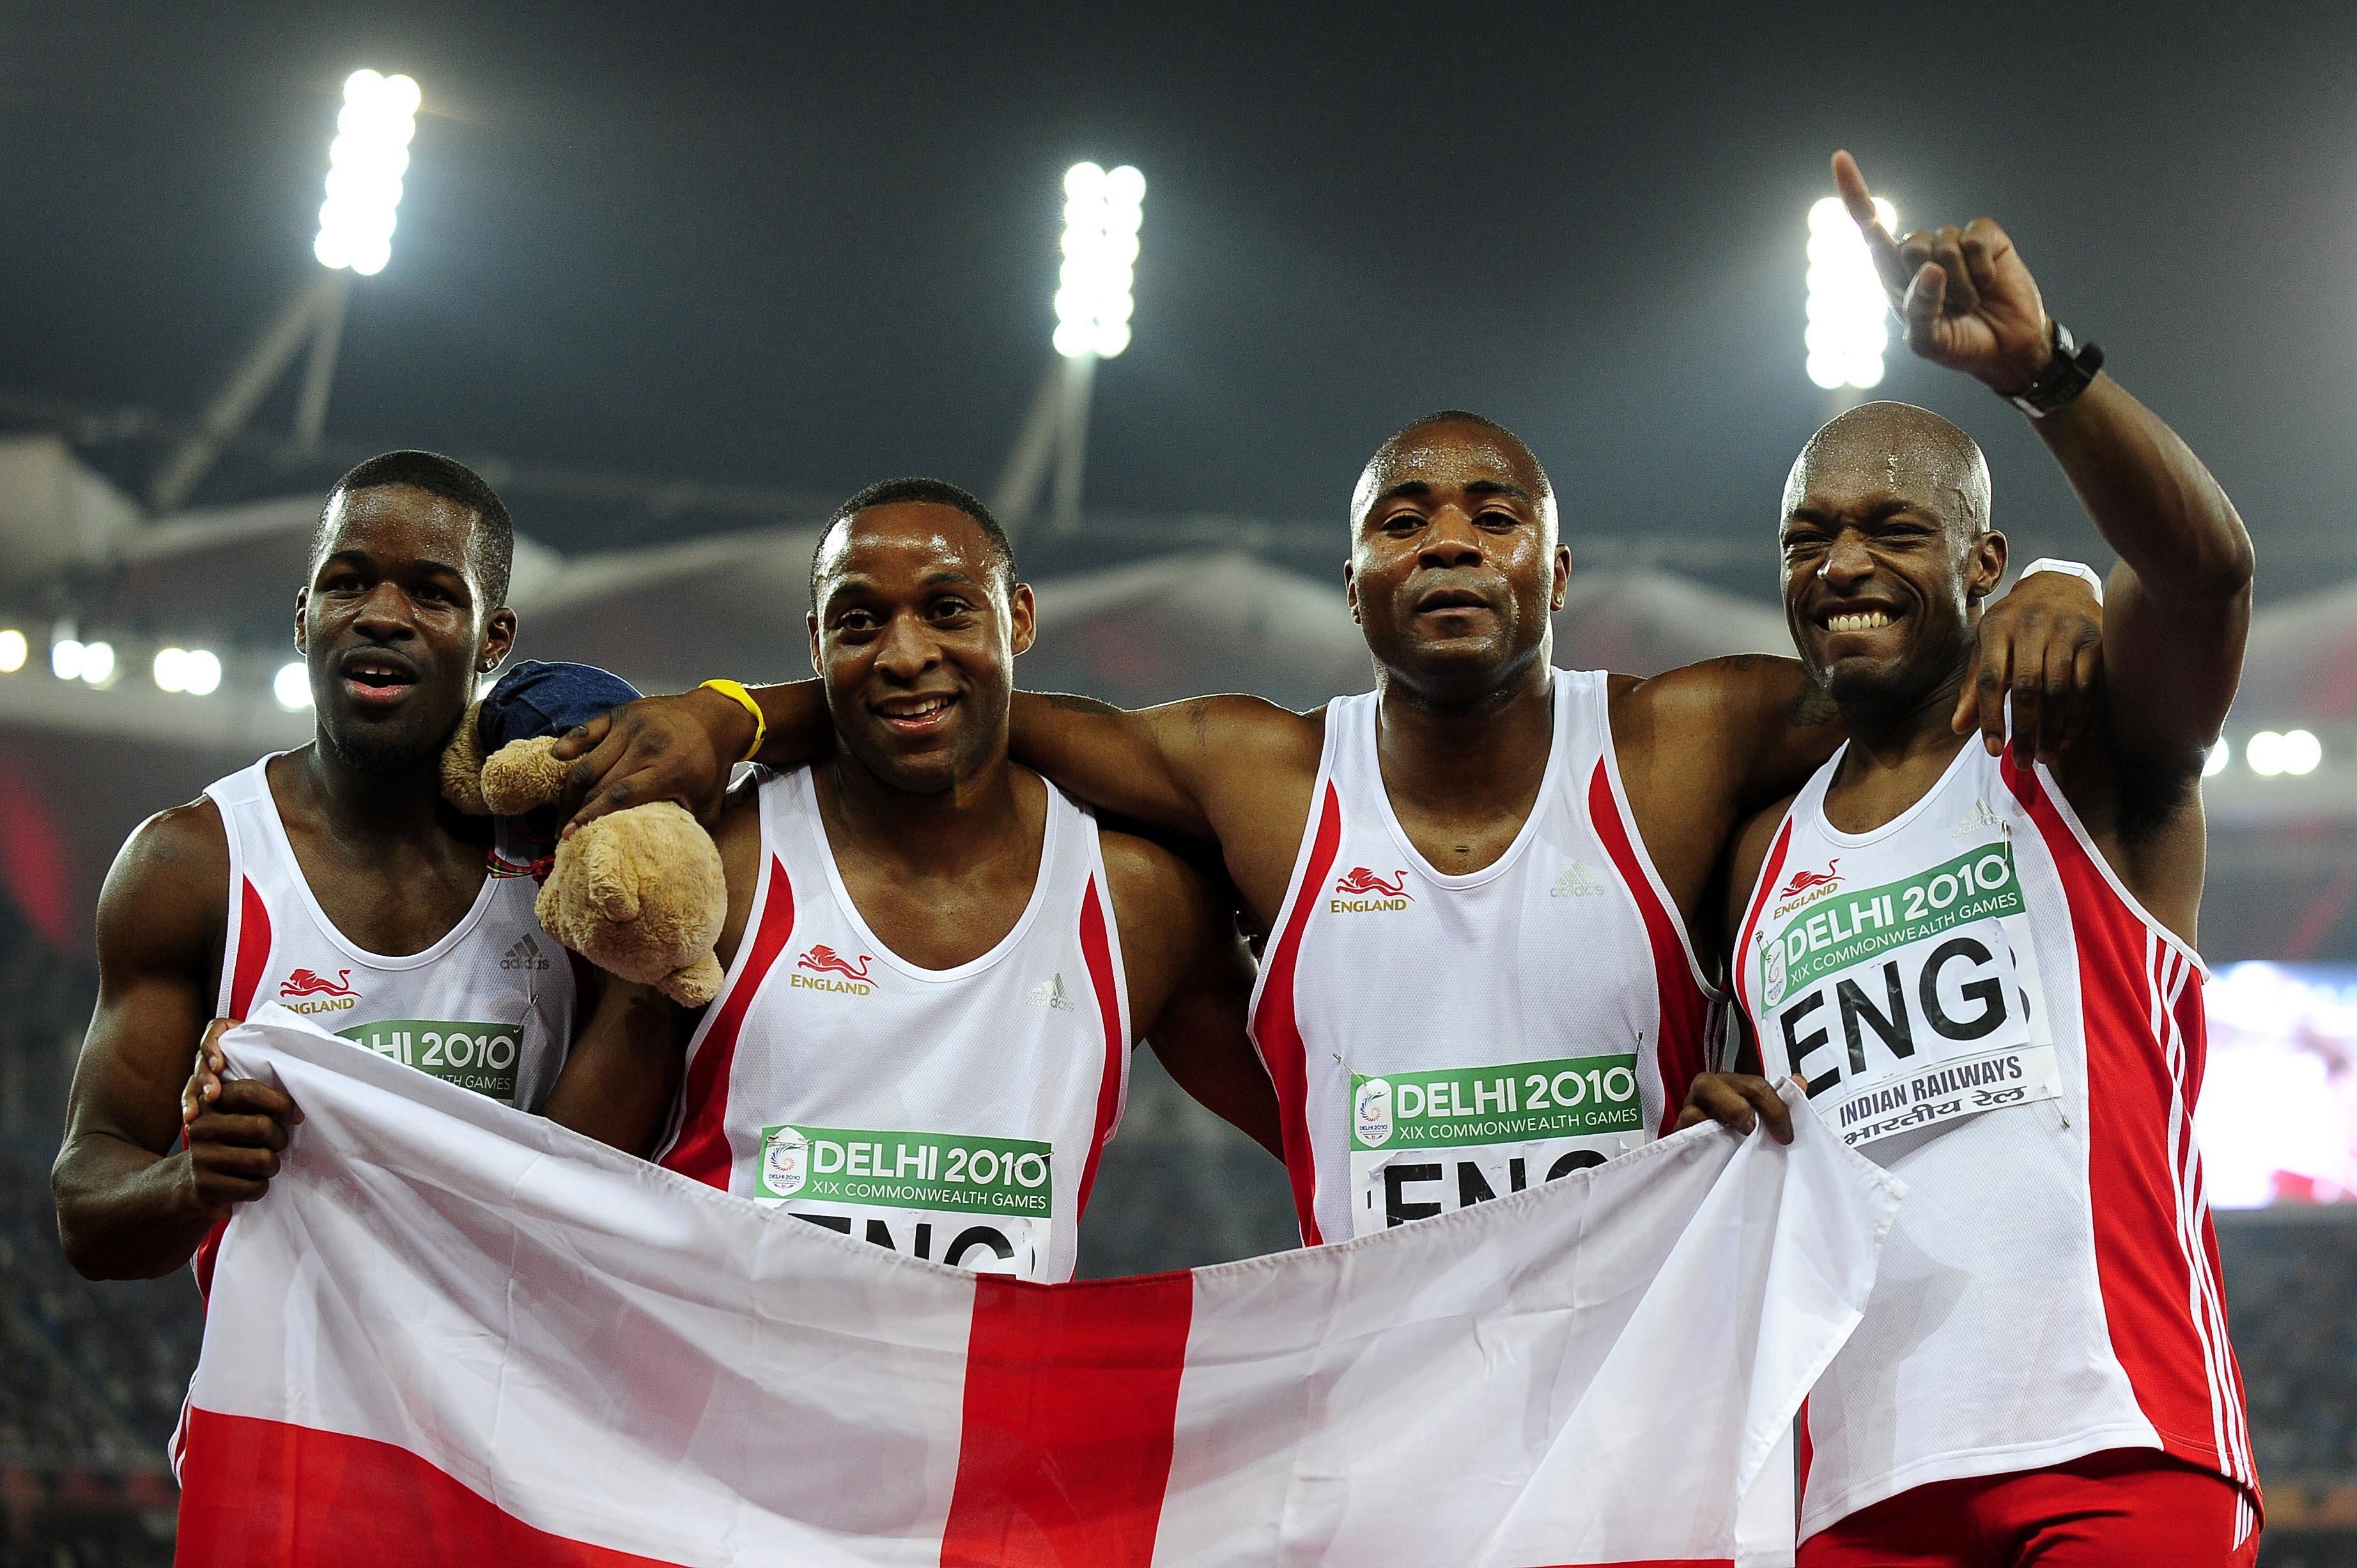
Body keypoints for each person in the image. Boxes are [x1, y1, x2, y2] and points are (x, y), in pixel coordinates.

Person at [555, 465, 2098, 1250]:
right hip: (1377, 1396)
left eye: (1489, 515)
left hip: (1635, 1375)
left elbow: (1905, 661)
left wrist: (2041, 573)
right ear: (1350, 585)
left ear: (1551, 568)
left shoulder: (1677, 738)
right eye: (1403, 519)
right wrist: (742, 711)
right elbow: (983, 719)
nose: (1443, 542)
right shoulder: (1254, 773)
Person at [1682, 153, 2260, 1564]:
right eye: (1804, 538)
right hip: (1852, 1481)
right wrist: (1716, 1121)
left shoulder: (2077, 744)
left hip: (2111, 1434)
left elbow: (2202, 578)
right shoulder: (1761, 855)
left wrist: (2044, 375)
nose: (1837, 565)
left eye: (1890, 528)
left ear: (1981, 559)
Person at [52, 451, 685, 1295]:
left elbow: (601, 1182)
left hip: (509, 1403)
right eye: (348, 582)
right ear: (303, 614)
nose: (383, 615)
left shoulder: (572, 861)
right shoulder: (192, 864)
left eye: (432, 591)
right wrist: (193, 1177)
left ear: (495, 637)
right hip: (282, 1416)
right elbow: (87, 1210)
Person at [656, 477, 1279, 1281]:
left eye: (948, 609)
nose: (907, 654)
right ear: (817, 645)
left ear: (1017, 619)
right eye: (860, 621)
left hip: (981, 1402)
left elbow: (1326, 1140)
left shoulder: (1140, 900)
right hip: (723, 1397)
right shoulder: (719, 862)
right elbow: (559, 1175)